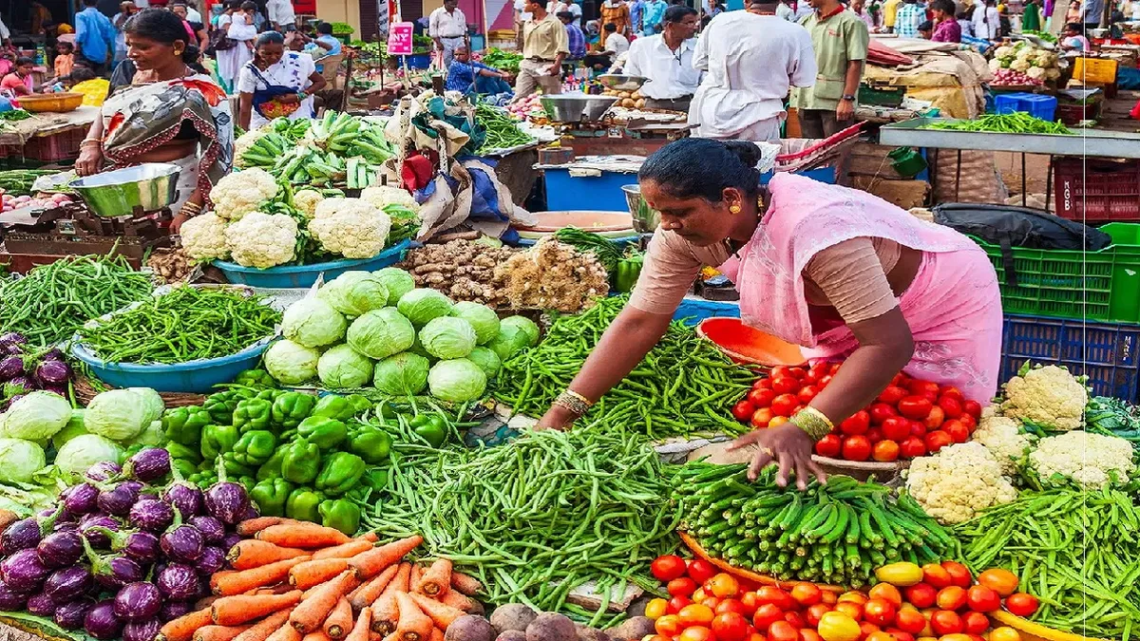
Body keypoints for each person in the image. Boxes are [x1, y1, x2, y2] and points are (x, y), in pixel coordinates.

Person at [536, 138, 1003, 489]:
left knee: (937, 425)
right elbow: (641, 319)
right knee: (857, 410)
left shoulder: (817, 230)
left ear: (732, 199)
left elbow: (888, 344)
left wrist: (805, 425)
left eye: (678, 211)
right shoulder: (681, 234)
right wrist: (564, 411)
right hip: (847, 314)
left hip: (939, 297)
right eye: (658, 211)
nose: (666, 224)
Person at [76, 8, 232, 232]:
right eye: (129, 44)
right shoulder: (127, 71)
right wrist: (90, 145)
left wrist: (189, 209)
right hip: (116, 184)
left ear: (177, 47)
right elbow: (107, 107)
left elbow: (221, 156)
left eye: (143, 47)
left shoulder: (203, 91)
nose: (131, 53)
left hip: (174, 188)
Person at [689, 0, 815, 141]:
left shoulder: (719, 22)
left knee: (710, 161)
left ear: (746, 1)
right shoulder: (796, 32)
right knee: (757, 161)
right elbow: (804, 79)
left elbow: (699, 61)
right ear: (779, 2)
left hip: (712, 112)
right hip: (760, 117)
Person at [792, 0, 869, 139]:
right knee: (812, 153)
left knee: (836, 153)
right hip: (806, 98)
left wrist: (847, 99)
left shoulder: (851, 22)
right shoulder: (805, 22)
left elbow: (855, 63)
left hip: (834, 102)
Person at [237, 31, 324, 131]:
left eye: (278, 53)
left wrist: (299, 96)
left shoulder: (298, 61)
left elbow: (320, 82)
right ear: (256, 51)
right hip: (264, 123)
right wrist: (243, 133)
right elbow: (245, 106)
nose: (274, 57)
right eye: (267, 54)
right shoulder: (250, 71)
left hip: (297, 122)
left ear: (283, 48)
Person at [624, 5, 701, 111]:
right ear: (670, 26)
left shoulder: (699, 47)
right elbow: (631, 76)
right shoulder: (642, 46)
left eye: (696, 22)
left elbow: (706, 77)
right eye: (689, 23)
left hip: (690, 105)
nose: (695, 27)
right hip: (654, 105)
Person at [513, 0, 568, 99]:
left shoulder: (555, 23)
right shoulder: (527, 23)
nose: (524, 5)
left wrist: (557, 65)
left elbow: (562, 46)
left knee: (552, 99)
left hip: (547, 65)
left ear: (535, 5)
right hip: (528, 64)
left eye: (526, 3)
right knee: (519, 97)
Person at [216, 1, 256, 94]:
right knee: (238, 70)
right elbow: (234, 34)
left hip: (238, 48)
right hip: (236, 48)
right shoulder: (232, 19)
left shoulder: (234, 20)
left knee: (240, 70)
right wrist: (249, 28)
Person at [446, 44, 512, 93]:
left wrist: (503, 73)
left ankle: (508, 93)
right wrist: (500, 75)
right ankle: (498, 94)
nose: (457, 57)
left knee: (494, 76)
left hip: (469, 88)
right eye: (456, 54)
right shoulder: (455, 65)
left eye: (461, 54)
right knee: (485, 76)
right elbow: (482, 71)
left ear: (468, 55)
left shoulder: (470, 62)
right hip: (461, 93)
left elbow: (488, 68)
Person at [76, 0, 117, 75]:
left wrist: (78, 45)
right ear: (97, 2)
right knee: (99, 76)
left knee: (84, 76)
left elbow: (81, 33)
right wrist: (109, 50)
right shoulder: (104, 18)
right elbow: (107, 36)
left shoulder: (81, 16)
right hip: (101, 52)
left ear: (83, 2)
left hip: (85, 50)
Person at [430, 0, 468, 69]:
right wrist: (438, 43)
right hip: (444, 40)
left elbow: (464, 28)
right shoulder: (437, 13)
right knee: (446, 61)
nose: (454, 4)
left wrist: (466, 42)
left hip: (458, 39)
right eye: (452, 2)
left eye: (455, 3)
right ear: (445, 2)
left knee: (460, 60)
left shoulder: (459, 13)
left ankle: (458, 77)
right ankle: (447, 77)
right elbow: (432, 29)